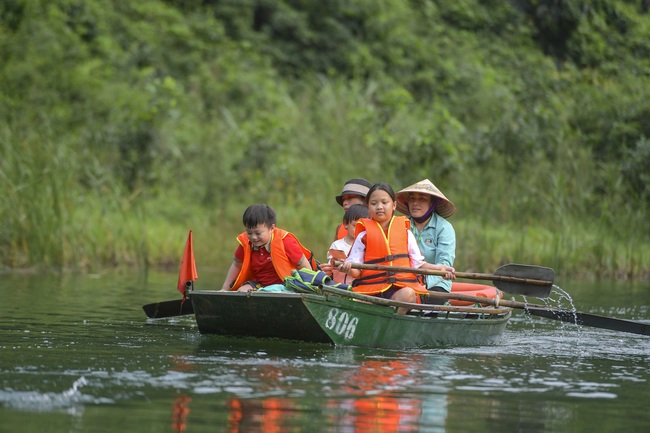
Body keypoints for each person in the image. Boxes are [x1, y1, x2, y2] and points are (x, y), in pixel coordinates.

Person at [336, 183, 455, 314]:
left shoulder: (405, 231)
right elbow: (357, 270)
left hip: (398, 289)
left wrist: (440, 269)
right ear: (368, 208)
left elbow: (418, 264)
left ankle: (390, 320)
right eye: (374, 203)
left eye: (384, 202)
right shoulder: (363, 235)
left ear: (393, 206)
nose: (379, 207)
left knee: (409, 294)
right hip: (371, 289)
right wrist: (349, 269)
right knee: (353, 301)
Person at [220, 204, 316, 292]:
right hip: (260, 284)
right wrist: (224, 289)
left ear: (272, 228)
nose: (253, 237)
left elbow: (304, 265)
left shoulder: (285, 241)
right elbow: (237, 265)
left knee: (273, 291)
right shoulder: (246, 243)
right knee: (242, 291)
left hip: (286, 285)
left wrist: (310, 286)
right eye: (249, 232)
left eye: (258, 233)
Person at [395, 179, 457, 305]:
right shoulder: (401, 224)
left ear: (432, 204)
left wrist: (422, 283)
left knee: (427, 300)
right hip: (404, 281)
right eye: (412, 198)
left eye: (422, 199)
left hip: (436, 284)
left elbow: (444, 264)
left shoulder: (444, 228)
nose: (415, 203)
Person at [325, 204, 370, 284]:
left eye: (364, 227)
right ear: (346, 224)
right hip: (340, 287)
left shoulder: (368, 246)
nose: (359, 230)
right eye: (355, 226)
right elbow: (331, 267)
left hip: (361, 288)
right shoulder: (337, 245)